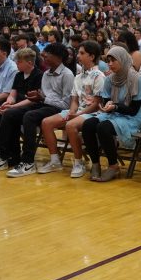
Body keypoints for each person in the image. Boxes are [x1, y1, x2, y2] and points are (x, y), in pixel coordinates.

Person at [0, 43, 74, 177]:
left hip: (57, 109)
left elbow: (66, 104)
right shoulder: (46, 74)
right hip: (44, 105)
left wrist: (42, 98)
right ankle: (2, 156)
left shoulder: (67, 74)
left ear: (57, 57)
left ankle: (28, 162)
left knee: (29, 116)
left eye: (47, 54)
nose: (43, 57)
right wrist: (36, 97)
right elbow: (43, 95)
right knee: (9, 113)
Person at [36, 40, 105, 177]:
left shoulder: (99, 76)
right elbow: (74, 99)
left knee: (70, 125)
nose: (78, 56)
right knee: (46, 123)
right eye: (78, 53)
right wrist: (73, 111)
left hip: (93, 113)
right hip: (78, 110)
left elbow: (97, 103)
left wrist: (78, 114)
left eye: (82, 53)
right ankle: (55, 161)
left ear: (91, 57)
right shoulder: (78, 77)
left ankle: (79, 163)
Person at [80, 46, 141, 182]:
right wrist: (106, 106)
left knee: (103, 127)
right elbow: (106, 101)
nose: (110, 64)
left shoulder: (137, 79)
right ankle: (95, 163)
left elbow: (133, 110)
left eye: (113, 61)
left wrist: (114, 107)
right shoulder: (110, 79)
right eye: (108, 61)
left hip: (131, 118)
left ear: (123, 60)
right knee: (87, 124)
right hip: (114, 114)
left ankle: (113, 166)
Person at [0, 48, 43, 172]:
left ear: (29, 62)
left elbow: (32, 100)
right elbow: (12, 94)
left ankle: (3, 155)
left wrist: (12, 107)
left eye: (19, 62)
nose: (17, 64)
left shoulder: (39, 75)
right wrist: (7, 103)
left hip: (30, 106)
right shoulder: (18, 75)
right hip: (16, 105)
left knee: (9, 114)